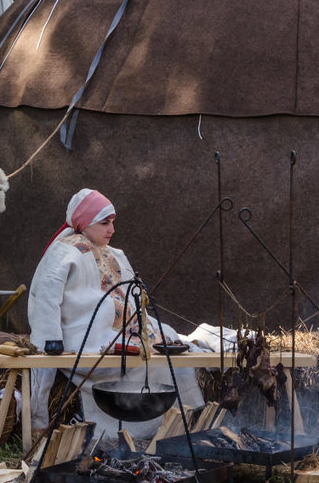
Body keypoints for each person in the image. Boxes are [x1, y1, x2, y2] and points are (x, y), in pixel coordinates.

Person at [27, 188, 202, 438]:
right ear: (85, 222)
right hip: (86, 338)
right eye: (104, 223)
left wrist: (148, 329)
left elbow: (133, 300)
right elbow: (46, 300)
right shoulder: (63, 252)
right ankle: (127, 433)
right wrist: (50, 341)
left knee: (174, 353)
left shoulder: (114, 254)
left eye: (112, 223)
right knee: (138, 363)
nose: (112, 230)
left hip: (124, 333)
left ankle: (185, 429)